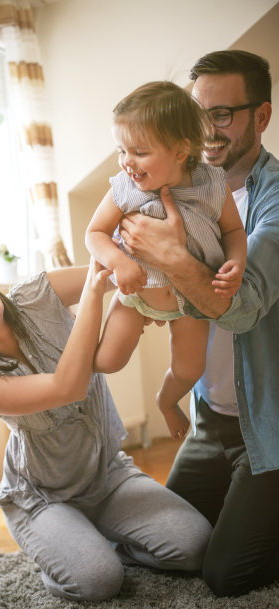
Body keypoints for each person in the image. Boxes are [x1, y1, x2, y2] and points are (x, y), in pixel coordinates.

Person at [0, 257, 211, 602]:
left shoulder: (36, 294)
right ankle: (72, 551)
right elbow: (68, 387)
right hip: (42, 498)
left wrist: (155, 290)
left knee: (197, 546)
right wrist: (93, 295)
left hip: (108, 476)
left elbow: (118, 269)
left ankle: (104, 544)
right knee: (98, 581)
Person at [118, 50, 279, 597]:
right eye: (197, 110)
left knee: (226, 574)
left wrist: (172, 261)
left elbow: (242, 305)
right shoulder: (170, 183)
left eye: (224, 114)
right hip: (212, 417)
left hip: (269, 426)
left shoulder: (273, 201)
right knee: (161, 547)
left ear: (261, 116)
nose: (206, 128)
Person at [85, 81, 246, 440]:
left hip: (191, 301)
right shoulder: (125, 187)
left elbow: (234, 232)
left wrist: (237, 262)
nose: (127, 161)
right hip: (136, 293)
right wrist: (120, 262)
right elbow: (94, 233)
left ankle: (165, 400)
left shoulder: (211, 184)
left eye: (138, 151)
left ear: (180, 150)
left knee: (189, 370)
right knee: (107, 361)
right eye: (120, 150)